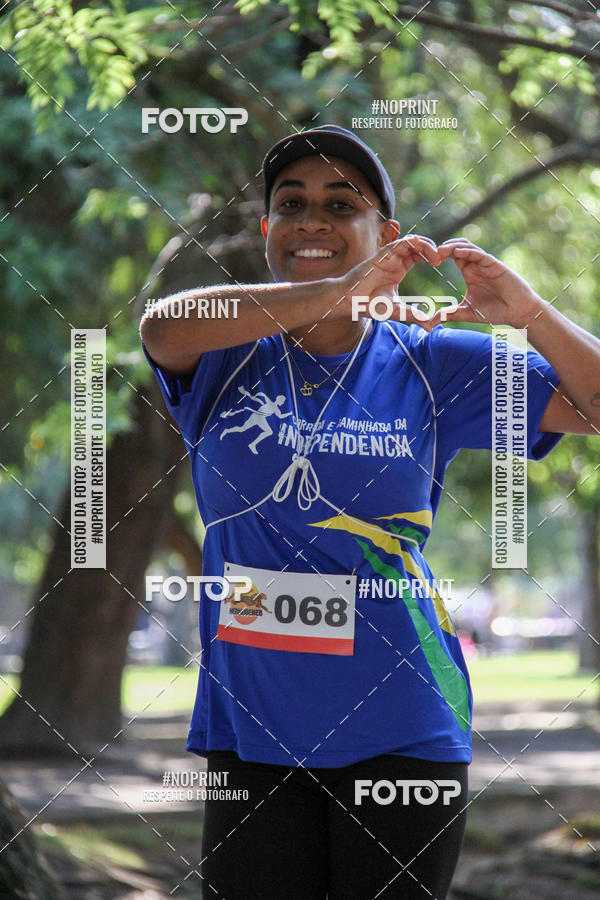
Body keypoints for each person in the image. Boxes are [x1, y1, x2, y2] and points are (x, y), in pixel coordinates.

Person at [140, 124, 600, 899]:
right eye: (292, 204)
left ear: (384, 234)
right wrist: (340, 291)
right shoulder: (221, 348)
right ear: (268, 231)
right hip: (252, 733)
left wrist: (531, 313)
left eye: (340, 203)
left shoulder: (430, 359)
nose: (312, 219)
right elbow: (161, 325)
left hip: (405, 726)